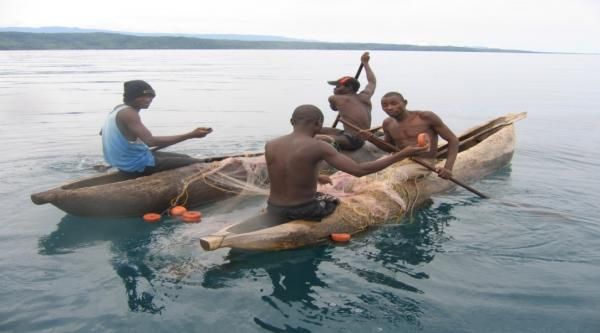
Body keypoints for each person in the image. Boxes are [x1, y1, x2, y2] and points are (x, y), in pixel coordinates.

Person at [264, 104, 428, 223]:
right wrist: (402, 154)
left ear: (291, 121)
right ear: (319, 124)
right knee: (334, 199)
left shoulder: (271, 144)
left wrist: (316, 177)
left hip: (274, 207)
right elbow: (358, 171)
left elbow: (286, 169)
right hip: (304, 210)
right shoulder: (320, 146)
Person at [101, 80, 212, 175]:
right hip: (134, 165)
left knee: (185, 157)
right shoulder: (129, 113)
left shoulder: (117, 109)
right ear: (132, 97)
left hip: (124, 161)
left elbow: (103, 132)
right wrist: (190, 135)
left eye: (150, 96)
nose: (148, 99)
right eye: (143, 96)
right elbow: (150, 141)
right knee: (198, 163)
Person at [372, 91, 459, 179]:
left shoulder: (425, 117)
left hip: (424, 162)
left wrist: (448, 168)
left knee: (392, 176)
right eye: (385, 105)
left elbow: (453, 140)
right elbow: (389, 148)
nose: (389, 108)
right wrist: (371, 139)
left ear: (405, 103)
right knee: (371, 173)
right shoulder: (387, 123)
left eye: (394, 103)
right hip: (398, 159)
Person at [318, 52, 376, 151]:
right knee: (315, 130)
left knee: (314, 137)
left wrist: (337, 105)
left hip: (353, 140)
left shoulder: (334, 98)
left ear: (349, 87)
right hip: (361, 135)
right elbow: (372, 81)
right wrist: (365, 63)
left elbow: (334, 108)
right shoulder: (365, 96)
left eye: (338, 86)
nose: (335, 89)